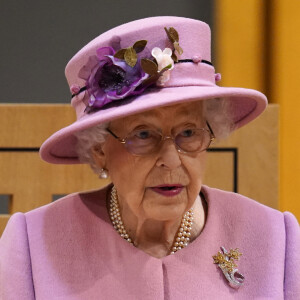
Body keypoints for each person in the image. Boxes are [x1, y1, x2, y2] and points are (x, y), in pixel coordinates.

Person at [0, 16, 299, 299]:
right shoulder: (33, 244)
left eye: (188, 132)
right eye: (143, 135)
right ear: (99, 149)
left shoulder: (276, 239)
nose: (170, 160)